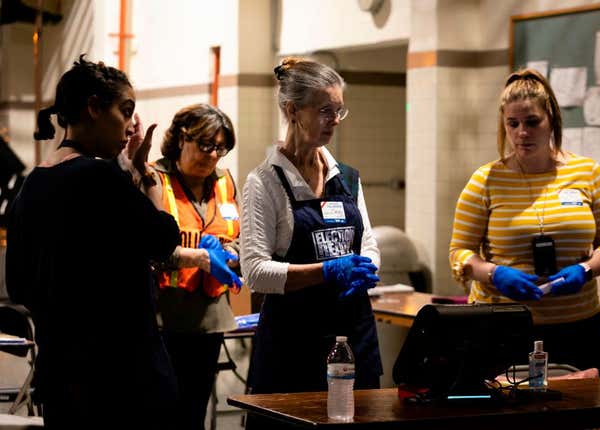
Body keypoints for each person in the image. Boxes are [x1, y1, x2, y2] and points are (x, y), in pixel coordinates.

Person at [5, 55, 180, 428]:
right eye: (125, 110)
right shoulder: (99, 178)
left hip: (60, 377)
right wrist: (148, 178)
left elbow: (18, 283)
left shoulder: (32, 185)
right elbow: (164, 238)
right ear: (94, 107)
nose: (132, 126)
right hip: (121, 377)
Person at [449, 68, 600, 375]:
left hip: (576, 325)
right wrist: (494, 273)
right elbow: (459, 253)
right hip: (504, 324)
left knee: (584, 415)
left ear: (551, 119)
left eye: (532, 122)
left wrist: (585, 269)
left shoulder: (588, 173)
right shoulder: (486, 179)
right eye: (512, 124)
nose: (522, 133)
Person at [240, 57, 382, 404]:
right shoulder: (264, 182)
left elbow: (368, 242)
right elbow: (256, 273)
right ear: (292, 110)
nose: (334, 121)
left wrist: (366, 267)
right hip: (293, 345)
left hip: (353, 334)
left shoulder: (345, 177)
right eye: (324, 110)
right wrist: (329, 270)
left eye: (339, 111)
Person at [146, 103, 243, 430]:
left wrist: (229, 253)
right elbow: (144, 247)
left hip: (210, 318)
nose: (213, 156)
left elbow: (243, 237)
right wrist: (198, 256)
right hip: (162, 319)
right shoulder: (154, 179)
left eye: (221, 148)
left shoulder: (225, 181)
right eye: (205, 145)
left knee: (194, 410)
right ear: (180, 139)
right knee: (162, 411)